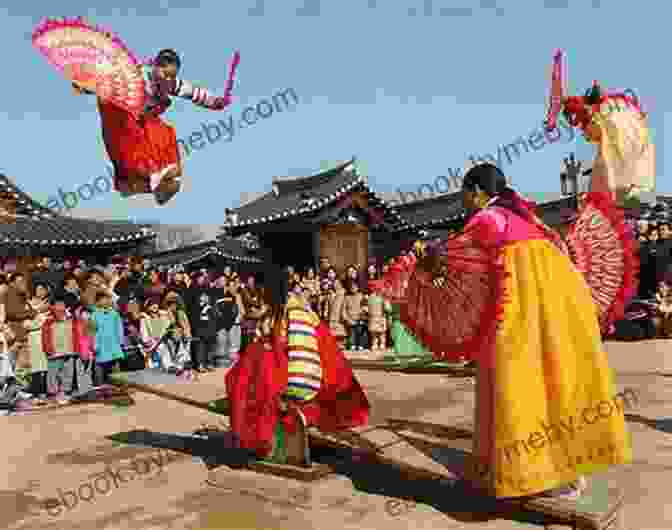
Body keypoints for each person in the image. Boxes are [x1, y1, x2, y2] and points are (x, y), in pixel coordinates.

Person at [373, 163, 633, 500]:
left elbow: (453, 258)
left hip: (522, 301)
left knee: (521, 379)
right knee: (560, 374)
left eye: (466, 195)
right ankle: (571, 469)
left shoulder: (487, 219)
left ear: (478, 192)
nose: (465, 203)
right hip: (565, 298)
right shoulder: (527, 219)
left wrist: (417, 262)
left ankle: (536, 472)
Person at [62, 18, 240, 205]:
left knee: (165, 131)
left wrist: (216, 102)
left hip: (141, 122)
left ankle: (158, 176)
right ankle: (141, 177)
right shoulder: (136, 73)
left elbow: (196, 94)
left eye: (173, 75)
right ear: (155, 66)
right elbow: (106, 82)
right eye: (165, 74)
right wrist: (85, 85)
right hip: (119, 121)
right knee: (134, 125)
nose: (168, 79)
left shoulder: (171, 84)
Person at [225, 264, 370, 464]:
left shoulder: (291, 311)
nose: (258, 297)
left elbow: (285, 350)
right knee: (248, 369)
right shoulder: (291, 308)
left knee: (245, 378)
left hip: (292, 376)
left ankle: (257, 435)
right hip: (291, 369)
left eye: (260, 292)